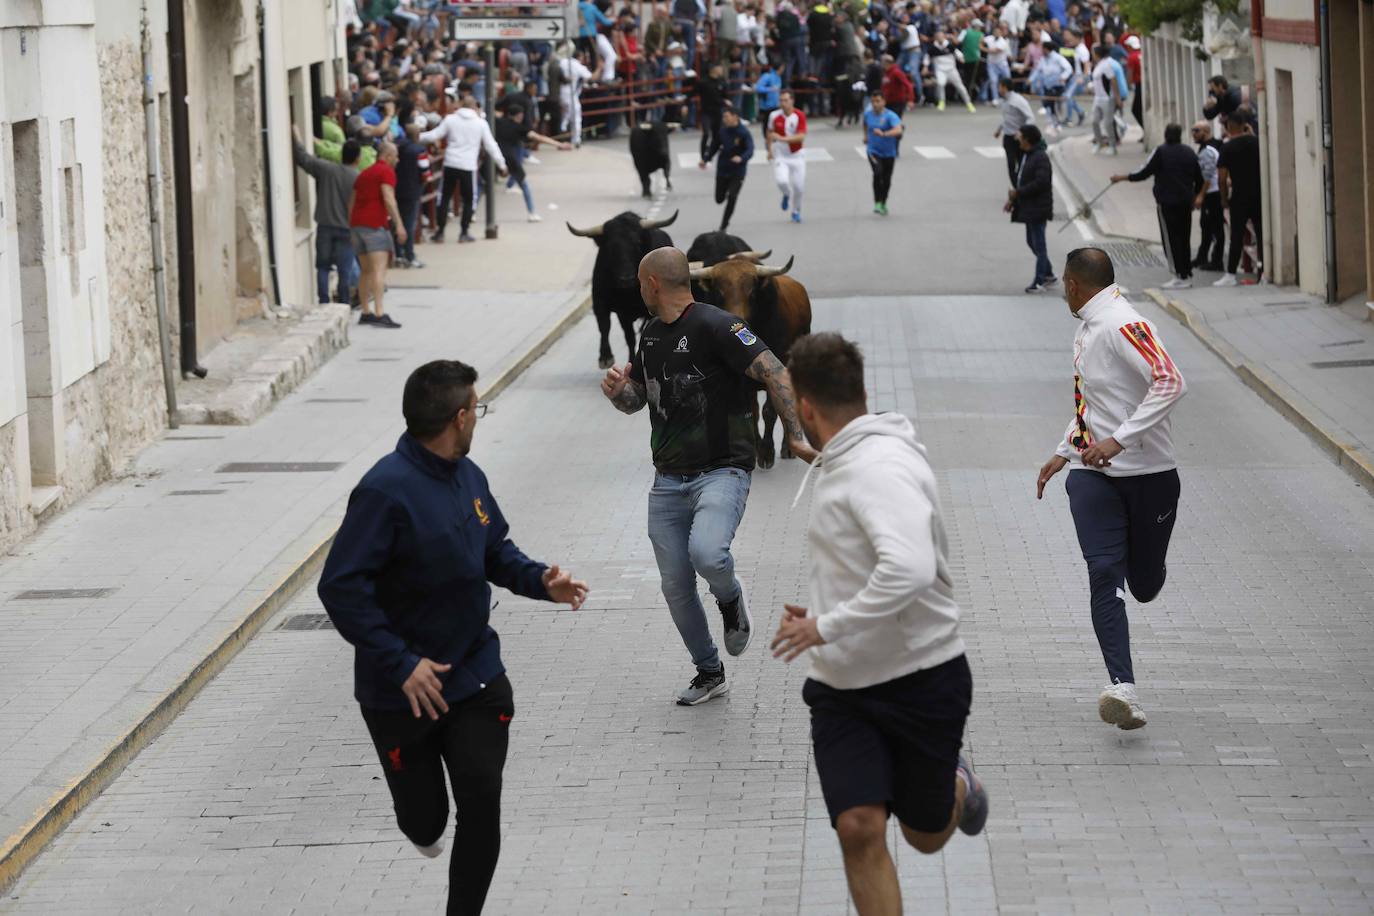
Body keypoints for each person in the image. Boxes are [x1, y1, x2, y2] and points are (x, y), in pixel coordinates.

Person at [319, 359, 589, 916]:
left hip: (473, 675)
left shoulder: (469, 477)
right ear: (460, 416)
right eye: (477, 410)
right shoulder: (384, 492)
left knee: (481, 800)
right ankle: (420, 819)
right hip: (401, 694)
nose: (477, 420)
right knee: (426, 822)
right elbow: (340, 588)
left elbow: (495, 551)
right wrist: (400, 663)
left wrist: (542, 582)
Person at [770, 332, 989, 916]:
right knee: (859, 826)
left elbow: (911, 568)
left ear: (807, 408)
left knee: (923, 833)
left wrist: (825, 626)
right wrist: (823, 615)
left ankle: (958, 786)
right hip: (843, 690)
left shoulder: (876, 467)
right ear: (862, 392)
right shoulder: (850, 457)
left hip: (922, 678)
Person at [599, 247, 817, 706]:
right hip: (668, 479)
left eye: (641, 283)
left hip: (722, 469)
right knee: (675, 586)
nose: (638, 290)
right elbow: (638, 400)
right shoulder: (651, 335)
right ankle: (709, 671)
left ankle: (731, 599)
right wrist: (620, 391)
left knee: (708, 554)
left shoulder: (721, 326)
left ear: (653, 284)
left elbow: (775, 371)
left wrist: (795, 436)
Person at [1036, 247, 1187, 731]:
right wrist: (1065, 450)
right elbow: (1091, 404)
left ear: (1075, 285)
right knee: (1103, 571)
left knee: (1143, 585)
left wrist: (1120, 441)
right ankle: (1124, 688)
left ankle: (1149, 569)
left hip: (1150, 475)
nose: (1063, 290)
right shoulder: (1087, 328)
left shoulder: (1124, 324)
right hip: (1093, 475)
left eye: (1063, 283)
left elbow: (1170, 380)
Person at [1111, 123, 1203, 289]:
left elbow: (1143, 173)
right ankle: (1186, 272)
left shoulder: (1161, 152)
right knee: (1184, 237)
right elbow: (1199, 177)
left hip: (1167, 202)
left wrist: (1122, 178)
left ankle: (1178, 275)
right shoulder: (1189, 152)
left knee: (1170, 239)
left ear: (1166, 135)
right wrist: (1196, 196)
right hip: (1185, 202)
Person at [420, 96, 507, 245]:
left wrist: (415, 136)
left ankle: (440, 232)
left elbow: (434, 135)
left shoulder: (450, 119)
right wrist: (502, 164)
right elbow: (491, 146)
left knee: (444, 197)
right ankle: (464, 232)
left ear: (461, 105)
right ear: (475, 107)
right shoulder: (480, 123)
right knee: (468, 200)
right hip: (468, 165)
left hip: (450, 163)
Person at [291, 126, 358, 306]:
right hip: (346, 228)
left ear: (341, 154)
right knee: (344, 270)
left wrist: (297, 136)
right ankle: (344, 304)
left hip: (325, 225)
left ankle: (324, 301)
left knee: (322, 267)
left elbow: (303, 159)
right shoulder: (358, 178)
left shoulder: (327, 169)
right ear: (358, 158)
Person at [349, 140, 405, 329]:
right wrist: (399, 225)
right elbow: (388, 198)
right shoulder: (385, 172)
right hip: (375, 225)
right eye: (395, 156)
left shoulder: (363, 174)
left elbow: (352, 201)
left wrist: (351, 225)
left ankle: (366, 311)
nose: (397, 160)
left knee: (365, 271)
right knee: (379, 270)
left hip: (357, 225)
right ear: (388, 156)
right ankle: (380, 311)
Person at [493, 104, 571, 223]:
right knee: (524, 185)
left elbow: (494, 114)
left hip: (494, 157)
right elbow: (539, 138)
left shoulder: (498, 122)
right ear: (519, 115)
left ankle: (472, 213)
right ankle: (532, 213)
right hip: (510, 159)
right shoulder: (520, 128)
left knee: (481, 185)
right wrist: (559, 144)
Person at [1004, 125, 1056, 293]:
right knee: (1032, 242)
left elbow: (1041, 182)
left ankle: (1039, 281)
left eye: (1019, 135)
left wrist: (1018, 192)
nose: (1016, 137)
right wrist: (1013, 200)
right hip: (1029, 207)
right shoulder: (1027, 155)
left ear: (1027, 139)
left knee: (1039, 246)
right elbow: (1021, 180)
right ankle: (1048, 274)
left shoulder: (1040, 157)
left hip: (1038, 208)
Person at [1214, 110, 1262, 286]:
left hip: (1239, 197)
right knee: (1262, 233)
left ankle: (1231, 275)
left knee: (1236, 236)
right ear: (1245, 125)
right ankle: (1263, 273)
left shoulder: (1227, 148)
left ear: (1228, 127)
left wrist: (1224, 199)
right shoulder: (1257, 142)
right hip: (1258, 194)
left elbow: (1221, 178)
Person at [699, 105, 755, 232]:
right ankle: (724, 194)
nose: (724, 119)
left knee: (732, 196)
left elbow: (750, 149)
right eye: (723, 117)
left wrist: (741, 158)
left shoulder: (744, 133)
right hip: (723, 170)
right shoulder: (722, 131)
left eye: (726, 116)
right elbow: (714, 146)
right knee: (719, 199)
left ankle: (724, 225)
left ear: (735, 117)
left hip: (738, 171)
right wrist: (705, 159)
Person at [767, 90, 808, 224]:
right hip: (781, 155)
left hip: (797, 156)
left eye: (786, 100)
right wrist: (769, 150)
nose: (783, 103)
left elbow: (801, 137)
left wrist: (782, 138)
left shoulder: (799, 115)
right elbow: (770, 132)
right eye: (781, 100)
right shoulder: (774, 116)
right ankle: (786, 194)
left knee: (799, 187)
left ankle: (796, 211)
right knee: (781, 181)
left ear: (792, 101)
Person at [394, 121, 429, 268]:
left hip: (397, 189)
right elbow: (425, 172)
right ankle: (409, 254)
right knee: (409, 224)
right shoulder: (420, 150)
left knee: (397, 221)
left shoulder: (398, 148)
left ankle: (398, 253)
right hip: (413, 190)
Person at [1191, 120, 1225, 272]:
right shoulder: (1209, 147)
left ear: (1205, 131)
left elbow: (1208, 176)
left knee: (1216, 228)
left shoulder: (1208, 150)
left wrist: (1200, 195)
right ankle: (1202, 257)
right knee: (1206, 226)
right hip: (1210, 194)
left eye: (1196, 130)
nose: (1193, 134)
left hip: (1212, 195)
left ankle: (1217, 261)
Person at [863, 90, 903, 216]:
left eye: (878, 101)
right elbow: (864, 124)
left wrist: (884, 134)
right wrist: (865, 136)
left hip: (889, 152)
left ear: (884, 102)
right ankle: (877, 203)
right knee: (877, 172)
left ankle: (884, 202)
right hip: (873, 150)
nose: (875, 104)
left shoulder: (890, 116)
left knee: (886, 179)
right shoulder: (868, 115)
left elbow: (898, 130)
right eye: (873, 101)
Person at [994, 77, 1035, 187]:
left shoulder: (1018, 101)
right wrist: (999, 130)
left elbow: (1030, 118)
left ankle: (1024, 187)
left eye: (1000, 87)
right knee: (1011, 165)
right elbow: (1007, 118)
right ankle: (1017, 189)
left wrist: (1022, 132)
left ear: (1004, 87)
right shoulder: (1004, 101)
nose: (998, 89)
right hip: (1008, 137)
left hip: (1020, 139)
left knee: (1022, 164)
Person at [925, 28, 974, 113]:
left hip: (951, 70)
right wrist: (925, 67)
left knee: (960, 87)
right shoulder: (932, 48)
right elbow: (927, 58)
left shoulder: (950, 46)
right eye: (938, 36)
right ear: (935, 38)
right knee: (940, 83)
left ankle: (968, 103)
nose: (939, 38)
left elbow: (958, 53)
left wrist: (961, 58)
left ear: (944, 37)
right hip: (940, 70)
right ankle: (941, 101)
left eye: (941, 36)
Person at [558, 48, 595, 147]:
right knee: (575, 117)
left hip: (561, 93)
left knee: (565, 115)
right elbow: (592, 77)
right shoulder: (579, 66)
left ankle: (563, 132)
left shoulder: (563, 61)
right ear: (580, 57)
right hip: (571, 94)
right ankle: (575, 139)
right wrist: (600, 67)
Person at [1090, 45, 1122, 155]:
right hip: (1097, 98)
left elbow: (1113, 81)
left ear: (1097, 54)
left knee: (1108, 123)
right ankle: (1100, 142)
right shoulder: (1097, 65)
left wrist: (1117, 98)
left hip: (1107, 98)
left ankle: (1113, 146)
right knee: (1094, 121)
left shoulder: (1106, 65)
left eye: (1093, 52)